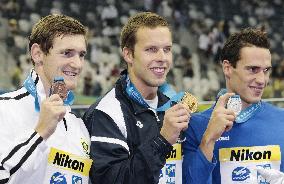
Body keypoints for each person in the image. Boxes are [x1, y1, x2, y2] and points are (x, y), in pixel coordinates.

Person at [83, 12, 190, 184]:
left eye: (167, 49)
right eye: (151, 49)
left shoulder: (174, 106)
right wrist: (162, 142)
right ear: (128, 54)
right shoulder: (107, 112)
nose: (162, 58)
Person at [182, 28, 284, 184]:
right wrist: (209, 139)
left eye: (266, 70)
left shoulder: (281, 119)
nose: (262, 80)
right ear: (227, 68)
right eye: (252, 69)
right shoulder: (196, 125)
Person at [0, 14, 92, 183]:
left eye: (81, 55)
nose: (78, 64)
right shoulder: (5, 110)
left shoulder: (78, 125)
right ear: (37, 54)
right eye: (67, 53)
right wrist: (40, 133)